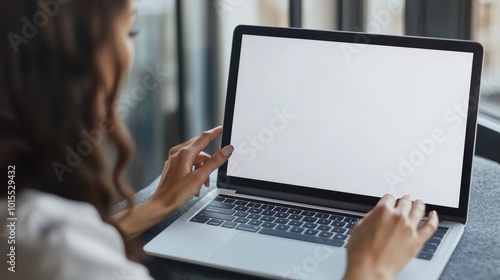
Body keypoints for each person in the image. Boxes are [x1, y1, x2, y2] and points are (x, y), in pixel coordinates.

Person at [0, 0, 438, 279]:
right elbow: (55, 253)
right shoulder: (51, 247)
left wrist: (153, 208)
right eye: (129, 30)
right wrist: (368, 269)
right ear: (77, 58)